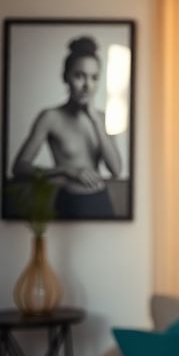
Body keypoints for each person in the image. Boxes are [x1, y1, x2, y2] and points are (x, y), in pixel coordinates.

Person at [12, 36, 122, 219]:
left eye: (94, 78)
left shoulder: (103, 118)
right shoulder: (50, 117)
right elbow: (19, 168)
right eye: (79, 76)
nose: (87, 85)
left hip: (101, 201)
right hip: (69, 202)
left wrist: (95, 120)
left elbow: (116, 170)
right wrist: (65, 171)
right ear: (66, 77)